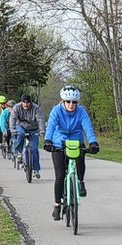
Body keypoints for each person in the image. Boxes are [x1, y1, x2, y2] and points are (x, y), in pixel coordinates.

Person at [44, 86, 99, 220]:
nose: (71, 105)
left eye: (74, 102)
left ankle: (80, 181)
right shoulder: (56, 111)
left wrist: (93, 142)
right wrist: (48, 141)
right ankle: (57, 205)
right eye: (68, 101)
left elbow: (87, 127)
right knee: (60, 176)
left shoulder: (81, 111)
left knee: (81, 158)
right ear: (62, 101)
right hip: (59, 143)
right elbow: (50, 126)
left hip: (76, 140)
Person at [10, 94, 45, 177]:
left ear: (31, 102)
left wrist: (42, 130)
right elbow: (13, 118)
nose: (26, 104)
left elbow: (40, 119)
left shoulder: (36, 108)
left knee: (35, 149)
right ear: (21, 102)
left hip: (33, 129)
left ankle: (36, 170)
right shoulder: (17, 107)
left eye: (28, 103)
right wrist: (12, 129)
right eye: (24, 102)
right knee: (20, 134)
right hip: (21, 127)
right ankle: (18, 152)